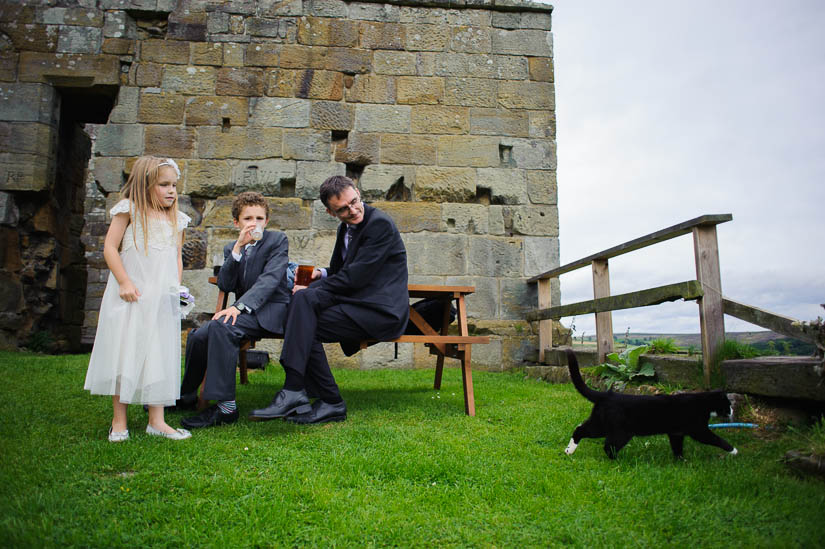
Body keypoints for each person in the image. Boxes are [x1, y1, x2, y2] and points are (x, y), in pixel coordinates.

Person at [249, 175, 409, 425]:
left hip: (381, 312)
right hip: (358, 305)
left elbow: (355, 277)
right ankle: (322, 398)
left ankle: (297, 390)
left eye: (354, 202)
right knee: (303, 320)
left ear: (357, 191)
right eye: (343, 209)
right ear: (330, 212)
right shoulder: (345, 227)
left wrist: (309, 291)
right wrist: (320, 273)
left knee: (302, 307)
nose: (353, 210)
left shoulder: (379, 225)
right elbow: (342, 270)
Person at [84, 156, 192, 441]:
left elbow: (176, 258)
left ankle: (157, 420)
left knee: (158, 352)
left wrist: (175, 289)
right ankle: (119, 421)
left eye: (174, 185)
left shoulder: (176, 220)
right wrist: (124, 281)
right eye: (164, 185)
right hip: (132, 295)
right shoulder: (129, 210)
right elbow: (109, 247)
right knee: (126, 349)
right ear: (145, 186)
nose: (172, 191)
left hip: (160, 297)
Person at [178, 191, 292, 429]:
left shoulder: (277, 240)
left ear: (266, 221)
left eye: (259, 218)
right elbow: (226, 284)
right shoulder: (232, 247)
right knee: (198, 336)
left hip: (271, 311)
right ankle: (187, 395)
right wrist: (238, 249)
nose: (254, 223)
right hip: (243, 314)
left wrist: (239, 307)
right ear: (236, 223)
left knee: (221, 326)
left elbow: (269, 281)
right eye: (248, 218)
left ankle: (226, 408)